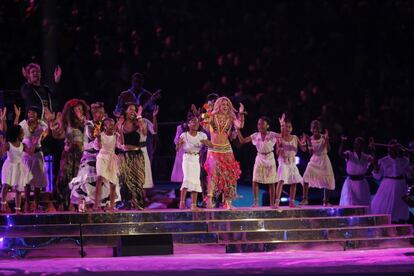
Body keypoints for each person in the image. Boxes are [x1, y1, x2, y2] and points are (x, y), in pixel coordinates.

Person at [46, 99, 89, 211]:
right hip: (69, 155)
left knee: (79, 180)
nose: (79, 111)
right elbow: (57, 136)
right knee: (65, 178)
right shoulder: (66, 122)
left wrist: (85, 123)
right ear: (71, 111)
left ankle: (76, 204)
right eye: (76, 109)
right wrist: (52, 128)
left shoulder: (86, 123)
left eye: (81, 109)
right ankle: (63, 203)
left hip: (81, 155)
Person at [203, 96, 244, 209]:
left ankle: (227, 202)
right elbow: (205, 126)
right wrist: (207, 111)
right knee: (213, 175)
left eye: (227, 105)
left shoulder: (231, 117)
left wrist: (240, 114)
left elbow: (240, 125)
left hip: (226, 149)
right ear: (218, 106)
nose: (225, 106)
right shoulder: (212, 115)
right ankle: (210, 200)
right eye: (223, 104)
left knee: (229, 175)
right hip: (214, 149)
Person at [69, 102, 107, 211]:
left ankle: (101, 203)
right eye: (95, 112)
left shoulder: (106, 124)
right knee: (86, 180)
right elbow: (92, 135)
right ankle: (83, 202)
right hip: (90, 156)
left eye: (100, 112)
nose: (98, 114)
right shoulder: (89, 124)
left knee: (102, 181)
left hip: (102, 156)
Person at [236, 116, 279, 207]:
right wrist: (237, 130)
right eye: (259, 124)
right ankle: (256, 202)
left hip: (270, 158)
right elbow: (243, 141)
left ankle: (272, 203)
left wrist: (282, 125)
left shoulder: (272, 134)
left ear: (267, 125)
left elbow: (283, 136)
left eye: (262, 124)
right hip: (259, 158)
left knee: (271, 182)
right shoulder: (255, 135)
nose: (260, 126)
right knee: (255, 180)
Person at [13, 105, 49, 212]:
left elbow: (46, 131)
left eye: (33, 112)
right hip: (26, 155)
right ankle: (27, 204)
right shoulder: (23, 124)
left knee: (37, 182)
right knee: (26, 181)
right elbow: (15, 130)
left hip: (37, 154)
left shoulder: (41, 124)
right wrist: (17, 116)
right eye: (29, 112)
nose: (31, 114)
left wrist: (42, 136)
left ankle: (36, 204)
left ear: (37, 114)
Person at [371, 140, 411, 222]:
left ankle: (400, 223)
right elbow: (377, 176)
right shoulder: (383, 161)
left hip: (401, 185)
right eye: (392, 148)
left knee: (400, 206)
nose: (394, 150)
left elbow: (409, 174)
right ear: (388, 149)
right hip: (388, 185)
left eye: (396, 148)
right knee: (387, 205)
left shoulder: (404, 160)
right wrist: (376, 169)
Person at [0, 125, 38, 213]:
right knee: (6, 185)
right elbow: (2, 154)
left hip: (19, 167)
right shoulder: (8, 144)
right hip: (9, 166)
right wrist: (2, 144)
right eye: (22, 132)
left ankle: (17, 209)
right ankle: (3, 205)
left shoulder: (22, 145)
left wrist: (34, 143)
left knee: (19, 189)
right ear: (17, 134)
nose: (23, 133)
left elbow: (30, 152)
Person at [177, 116, 211, 210]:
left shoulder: (202, 135)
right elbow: (177, 149)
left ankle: (193, 205)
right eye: (193, 122)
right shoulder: (184, 135)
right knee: (187, 179)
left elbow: (211, 145)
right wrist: (179, 144)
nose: (196, 123)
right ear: (188, 124)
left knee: (195, 181)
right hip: (187, 158)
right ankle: (182, 203)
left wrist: (206, 142)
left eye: (197, 122)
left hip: (196, 158)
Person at [118, 103, 146, 210]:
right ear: (125, 111)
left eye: (134, 110)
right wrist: (120, 128)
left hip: (137, 156)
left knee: (138, 180)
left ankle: (137, 203)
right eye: (130, 109)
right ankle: (126, 203)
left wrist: (139, 116)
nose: (133, 111)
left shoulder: (138, 123)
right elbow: (121, 142)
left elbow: (145, 132)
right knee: (125, 180)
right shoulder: (120, 124)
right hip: (124, 156)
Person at [302, 120, 335, 206]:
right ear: (311, 129)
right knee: (306, 177)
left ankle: (326, 201)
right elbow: (310, 153)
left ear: (320, 128)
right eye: (313, 127)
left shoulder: (324, 137)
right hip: (315, 159)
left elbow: (328, 149)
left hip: (324, 159)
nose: (315, 129)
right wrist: (308, 142)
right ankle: (305, 199)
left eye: (317, 127)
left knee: (327, 180)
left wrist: (327, 140)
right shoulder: (310, 138)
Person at [275, 117, 306, 208]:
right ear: (282, 128)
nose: (287, 129)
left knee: (294, 181)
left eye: (289, 127)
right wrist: (280, 147)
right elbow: (277, 152)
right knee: (281, 180)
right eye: (285, 127)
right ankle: (277, 202)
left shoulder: (295, 138)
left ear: (291, 128)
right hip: (283, 160)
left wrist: (304, 143)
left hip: (292, 161)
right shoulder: (280, 138)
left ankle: (291, 202)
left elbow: (303, 149)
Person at [95, 118, 123, 211]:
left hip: (111, 159)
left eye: (113, 124)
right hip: (102, 157)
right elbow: (98, 147)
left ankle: (112, 206)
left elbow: (121, 144)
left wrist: (121, 131)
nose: (112, 126)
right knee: (99, 178)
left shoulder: (116, 135)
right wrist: (98, 138)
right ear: (105, 126)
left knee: (113, 183)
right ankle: (96, 205)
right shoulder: (101, 135)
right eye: (109, 124)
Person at [338, 137, 374, 206]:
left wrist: (373, 149)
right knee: (349, 203)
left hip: (362, 184)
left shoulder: (366, 157)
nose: (359, 145)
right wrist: (342, 142)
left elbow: (374, 161)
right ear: (354, 145)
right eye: (357, 143)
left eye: (360, 144)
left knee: (363, 204)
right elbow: (340, 154)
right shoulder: (349, 154)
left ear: (363, 146)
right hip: (350, 183)